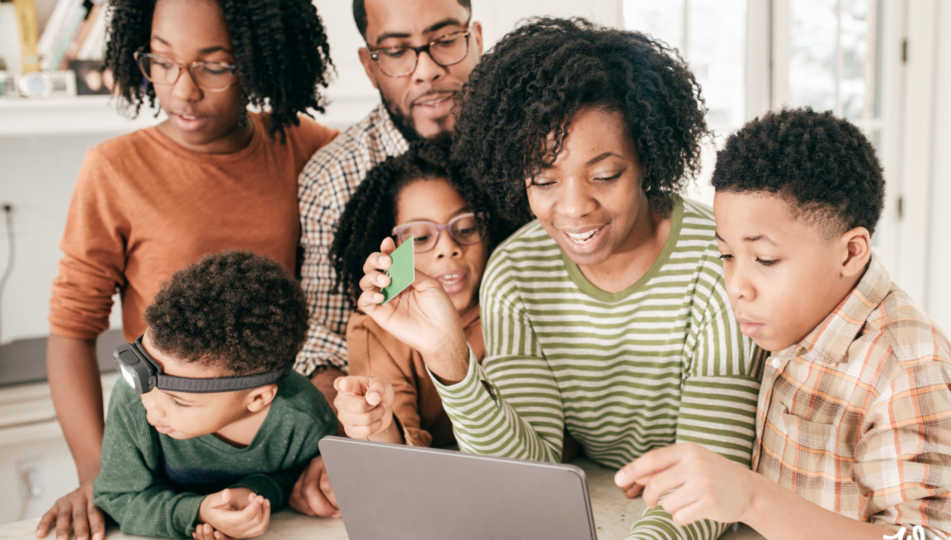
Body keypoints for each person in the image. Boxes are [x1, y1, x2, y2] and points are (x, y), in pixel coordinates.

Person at [335, 18, 762, 540]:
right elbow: (526, 472)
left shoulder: (716, 261)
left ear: (648, 159)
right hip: (609, 498)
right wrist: (450, 357)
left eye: (605, 175)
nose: (575, 208)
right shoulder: (515, 274)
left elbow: (711, 480)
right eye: (543, 180)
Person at [41, 0, 336, 537]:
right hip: (161, 449)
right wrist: (96, 474)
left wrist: (324, 461)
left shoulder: (306, 148)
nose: (182, 90)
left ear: (259, 60)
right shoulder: (114, 169)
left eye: (215, 65)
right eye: (162, 61)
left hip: (266, 454)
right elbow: (70, 332)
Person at [614, 108, 951, 540]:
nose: (736, 287)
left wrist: (752, 497)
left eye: (765, 260)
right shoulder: (780, 322)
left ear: (850, 252)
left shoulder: (908, 368)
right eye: (726, 255)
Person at [289, 0, 484, 516]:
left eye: (445, 40)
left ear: (477, 38)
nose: (426, 70)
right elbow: (326, 338)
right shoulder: (334, 178)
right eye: (396, 51)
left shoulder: (529, 148)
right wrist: (361, 430)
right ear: (369, 63)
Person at [91, 251, 337, 540]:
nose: (152, 409)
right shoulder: (132, 401)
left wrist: (253, 494)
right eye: (145, 384)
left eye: (179, 401)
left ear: (258, 398)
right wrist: (197, 512)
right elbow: (117, 498)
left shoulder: (304, 419)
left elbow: (297, 479)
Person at [329, 137, 508, 447]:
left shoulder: (516, 304)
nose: (448, 249)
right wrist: (379, 425)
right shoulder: (375, 332)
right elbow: (397, 458)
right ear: (392, 249)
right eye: (422, 237)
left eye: (465, 228)